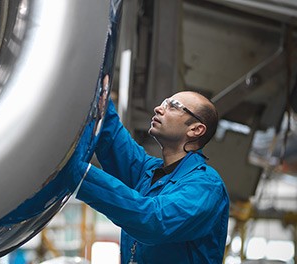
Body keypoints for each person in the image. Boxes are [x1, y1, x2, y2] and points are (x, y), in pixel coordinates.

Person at [76, 91, 229, 263]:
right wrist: (100, 87)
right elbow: (110, 135)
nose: (158, 109)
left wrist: (76, 174)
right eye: (163, 103)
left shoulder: (206, 186)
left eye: (173, 106)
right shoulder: (148, 172)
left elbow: (154, 221)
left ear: (195, 129)